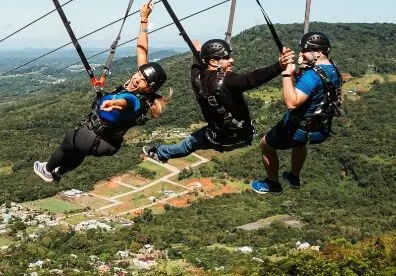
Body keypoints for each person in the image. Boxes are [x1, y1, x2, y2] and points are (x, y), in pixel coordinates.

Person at [33, 0, 170, 182]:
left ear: (149, 87)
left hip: (93, 136)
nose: (137, 79)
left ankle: (48, 170)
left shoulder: (135, 100)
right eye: (139, 74)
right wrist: (143, 21)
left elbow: (126, 102)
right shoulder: (146, 93)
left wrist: (115, 102)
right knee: (78, 155)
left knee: (68, 143)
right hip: (107, 143)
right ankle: (60, 172)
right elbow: (141, 51)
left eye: (143, 80)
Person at [143, 39, 293, 162]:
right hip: (239, 136)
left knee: (187, 144)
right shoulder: (227, 80)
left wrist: (197, 52)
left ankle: (160, 153)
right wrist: (279, 66)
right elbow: (250, 79)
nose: (231, 60)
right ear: (214, 62)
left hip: (215, 135)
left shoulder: (196, 77)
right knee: (188, 143)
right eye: (227, 58)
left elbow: (196, 64)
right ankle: (160, 153)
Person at [252, 32, 341, 194]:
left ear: (318, 52)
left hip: (298, 130)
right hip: (320, 130)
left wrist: (286, 73)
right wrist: (298, 72)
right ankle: (294, 176)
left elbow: (292, 103)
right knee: (300, 144)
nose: (301, 53)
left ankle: (272, 184)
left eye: (304, 50)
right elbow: (316, 91)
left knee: (265, 144)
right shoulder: (333, 69)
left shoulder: (312, 76)